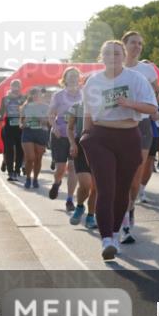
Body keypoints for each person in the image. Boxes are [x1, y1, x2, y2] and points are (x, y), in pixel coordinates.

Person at [80, 40, 157, 260]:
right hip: (100, 137)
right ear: (101, 57)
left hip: (128, 135)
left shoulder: (135, 79)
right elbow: (87, 112)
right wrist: (84, 137)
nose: (112, 57)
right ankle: (105, 240)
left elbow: (152, 109)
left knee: (122, 190)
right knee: (106, 188)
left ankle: (115, 234)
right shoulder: (94, 81)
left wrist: (130, 103)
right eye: (107, 54)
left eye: (116, 53)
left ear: (123, 56)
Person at [122, 30, 159, 242]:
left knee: (135, 179)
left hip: (143, 125)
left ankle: (130, 208)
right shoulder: (115, 69)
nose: (137, 46)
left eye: (140, 44)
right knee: (120, 175)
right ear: (124, 45)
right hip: (118, 125)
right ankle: (121, 224)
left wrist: (154, 104)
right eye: (133, 43)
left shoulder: (147, 69)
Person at [48, 67, 83, 209]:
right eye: (71, 75)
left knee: (73, 167)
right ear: (65, 79)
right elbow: (51, 114)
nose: (74, 78)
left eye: (76, 75)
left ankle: (69, 200)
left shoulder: (83, 95)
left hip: (76, 136)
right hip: (60, 134)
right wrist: (54, 127)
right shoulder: (58, 95)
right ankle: (57, 182)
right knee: (61, 168)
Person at [66, 97, 97, 228]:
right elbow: (70, 128)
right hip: (82, 146)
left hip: (101, 147)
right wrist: (73, 144)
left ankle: (90, 217)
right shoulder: (76, 106)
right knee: (85, 184)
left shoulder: (105, 105)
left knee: (95, 187)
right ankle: (79, 206)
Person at [19, 88, 51, 189]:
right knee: (30, 158)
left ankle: (35, 179)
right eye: (34, 94)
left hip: (41, 133)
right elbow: (20, 122)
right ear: (31, 96)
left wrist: (40, 118)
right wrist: (22, 124)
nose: (36, 96)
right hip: (28, 132)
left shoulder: (46, 107)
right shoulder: (25, 106)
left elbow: (49, 122)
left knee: (38, 158)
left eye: (38, 95)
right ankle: (28, 178)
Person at [0, 80, 26, 181]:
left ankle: (17, 169)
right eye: (14, 86)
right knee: (9, 149)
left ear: (20, 87)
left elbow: (27, 111)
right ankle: (10, 171)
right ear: (11, 87)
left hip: (20, 126)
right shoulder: (5, 99)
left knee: (20, 149)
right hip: (9, 125)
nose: (16, 87)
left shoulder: (23, 98)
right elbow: (0, 112)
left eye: (18, 86)